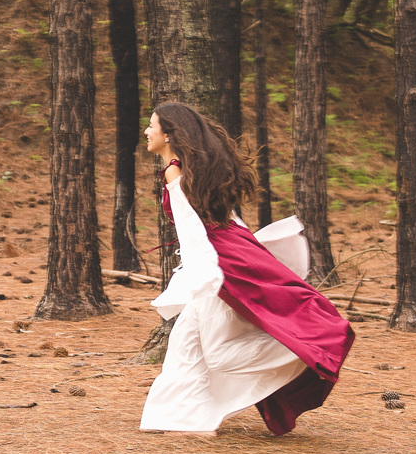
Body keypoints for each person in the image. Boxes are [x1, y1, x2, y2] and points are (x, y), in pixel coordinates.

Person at [139, 101, 355, 436]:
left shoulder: (176, 172)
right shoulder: (191, 169)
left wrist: (203, 272)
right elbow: (225, 221)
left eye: (152, 125)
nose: (146, 131)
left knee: (218, 355)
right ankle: (182, 420)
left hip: (218, 264)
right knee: (184, 342)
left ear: (168, 134)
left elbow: (190, 227)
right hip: (225, 254)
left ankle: (309, 346)